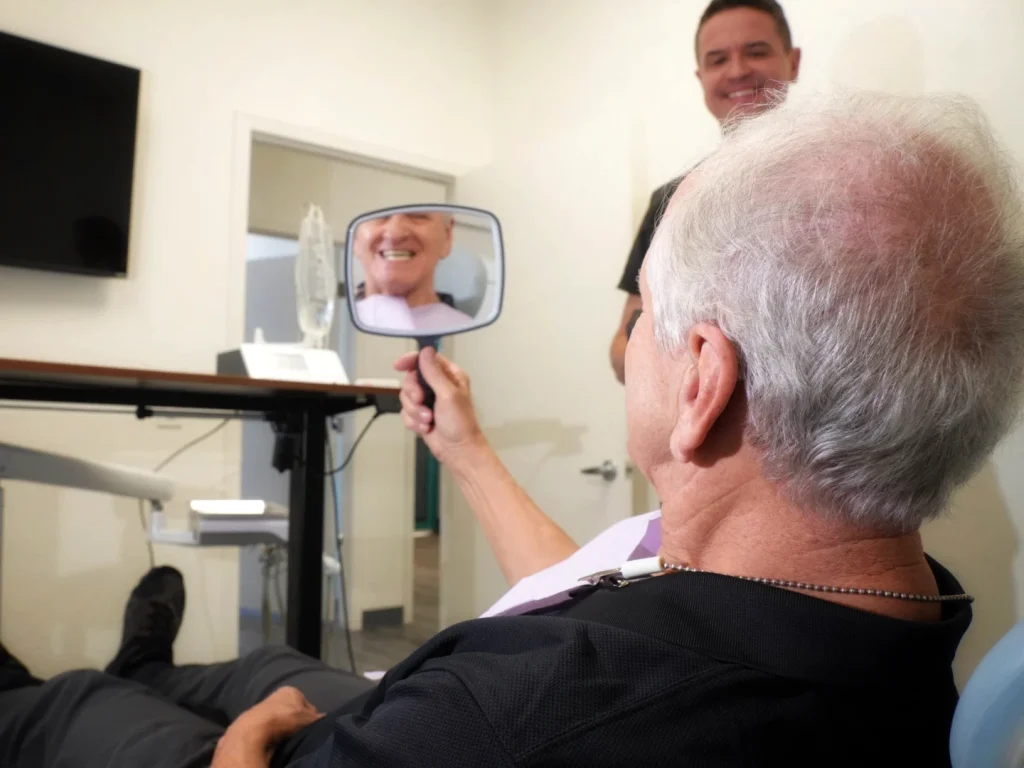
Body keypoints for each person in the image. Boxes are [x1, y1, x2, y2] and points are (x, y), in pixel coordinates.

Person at [4, 89, 1024, 767]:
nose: (629, 340)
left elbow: (555, 677)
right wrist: (466, 449)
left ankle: (82, 684)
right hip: (432, 697)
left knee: (73, 709)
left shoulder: (505, 719)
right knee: (258, 669)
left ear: (704, 380)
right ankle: (154, 664)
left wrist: (243, 752)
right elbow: (587, 596)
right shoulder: (890, 606)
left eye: (643, 317)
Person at [610, 0, 802, 383]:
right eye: (717, 60)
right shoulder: (672, 201)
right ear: (701, 77)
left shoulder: (842, 178)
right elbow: (621, 352)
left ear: (792, 61)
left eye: (756, 52)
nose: (737, 71)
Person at [352, 210, 475, 334]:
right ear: (355, 238)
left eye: (418, 215)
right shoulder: (336, 324)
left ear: (447, 236)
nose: (395, 233)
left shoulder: (470, 336)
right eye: (379, 214)